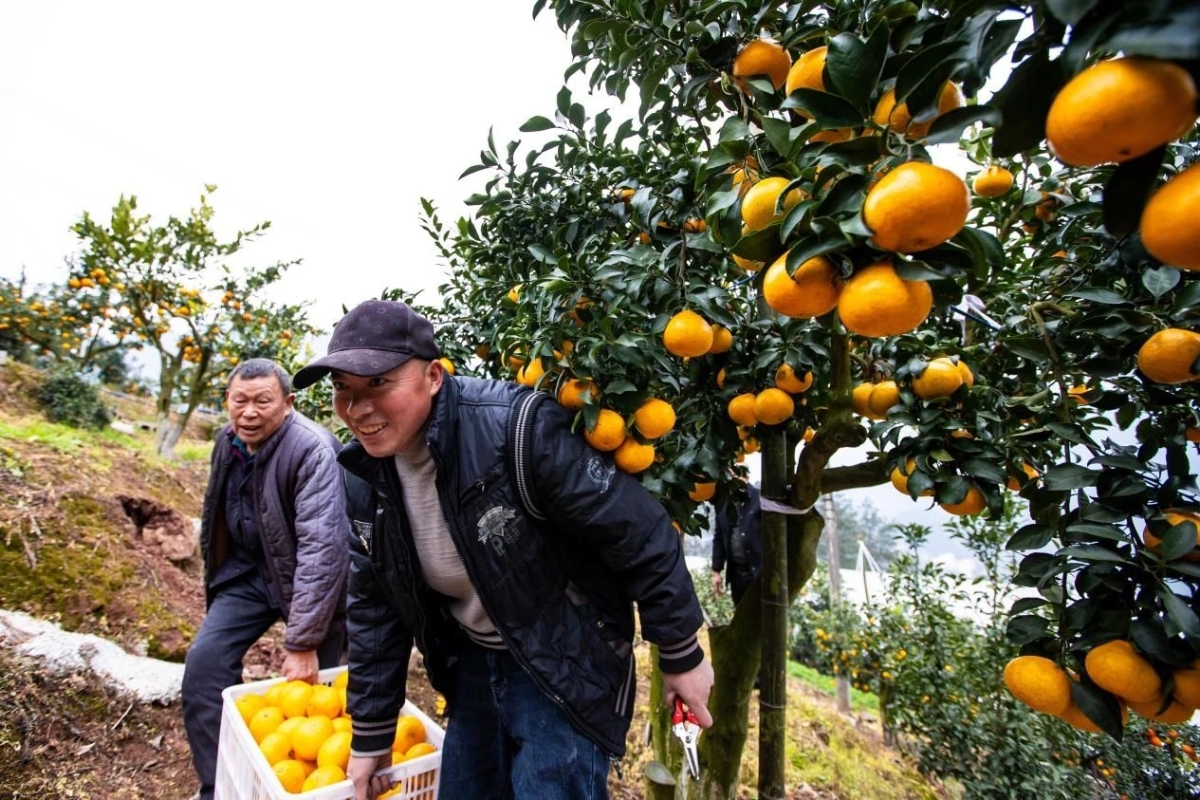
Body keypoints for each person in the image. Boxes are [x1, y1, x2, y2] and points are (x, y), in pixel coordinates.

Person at [292, 299, 715, 800]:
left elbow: (641, 531)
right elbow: (376, 604)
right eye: (343, 389)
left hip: (563, 657)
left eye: (378, 384)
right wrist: (372, 732)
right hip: (472, 659)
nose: (357, 408)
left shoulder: (516, 431)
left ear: (432, 376)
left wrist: (682, 654)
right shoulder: (364, 475)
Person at [182, 358, 348, 800]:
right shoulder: (228, 441)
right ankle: (221, 787)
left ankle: (317, 788)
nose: (249, 412)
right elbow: (215, 515)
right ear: (227, 401)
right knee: (204, 668)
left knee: (324, 701)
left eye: (262, 401)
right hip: (250, 575)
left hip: (313, 586)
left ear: (289, 403)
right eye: (240, 400)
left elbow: (323, 546)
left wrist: (303, 641)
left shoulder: (313, 449)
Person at [711, 480, 763, 605]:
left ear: (746, 475)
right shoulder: (724, 504)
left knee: (762, 617)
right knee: (741, 614)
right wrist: (716, 571)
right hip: (736, 575)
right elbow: (719, 537)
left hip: (759, 573)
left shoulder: (760, 499)